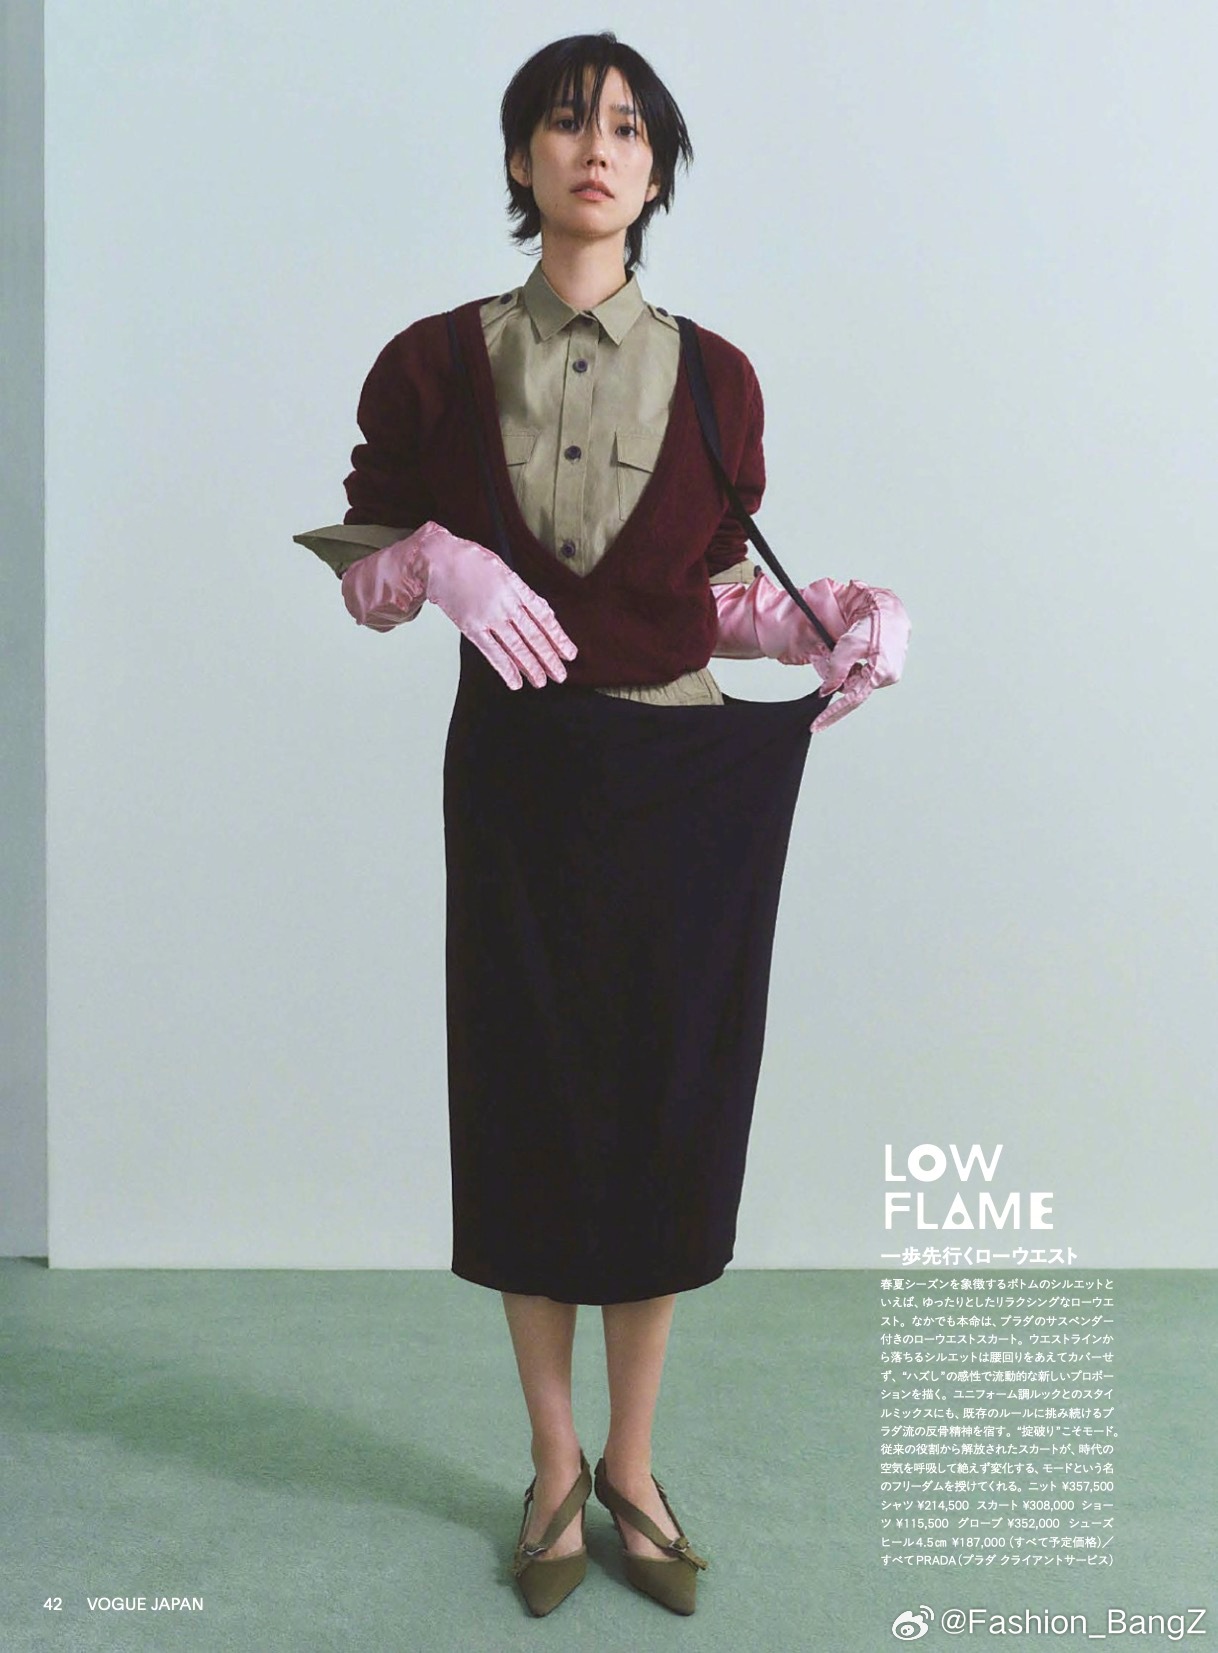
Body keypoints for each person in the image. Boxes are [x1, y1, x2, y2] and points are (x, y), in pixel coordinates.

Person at [303, 31, 908, 1619]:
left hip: (679, 781)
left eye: (629, 128)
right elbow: (363, 560)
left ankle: (634, 1464)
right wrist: (436, 560)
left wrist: (839, 621)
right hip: (516, 776)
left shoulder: (718, 378)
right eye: (566, 123)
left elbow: (709, 602)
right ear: (520, 159)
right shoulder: (433, 362)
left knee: (661, 1114)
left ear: (656, 170)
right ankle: (551, 1461)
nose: (597, 147)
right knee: (524, 1102)